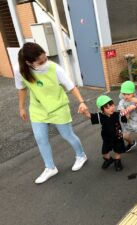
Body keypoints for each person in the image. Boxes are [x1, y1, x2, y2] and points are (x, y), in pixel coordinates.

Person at [14, 42, 88, 184]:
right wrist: (21, 107)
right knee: (40, 138)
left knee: (67, 135)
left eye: (45, 58)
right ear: (29, 63)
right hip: (38, 108)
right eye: (40, 62)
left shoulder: (55, 68)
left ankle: (81, 155)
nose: (45, 63)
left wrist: (82, 102)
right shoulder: (20, 70)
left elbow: (71, 86)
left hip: (58, 106)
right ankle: (50, 167)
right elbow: (22, 88)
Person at [81, 95, 126, 171]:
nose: (111, 108)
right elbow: (90, 115)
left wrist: (127, 111)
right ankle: (109, 160)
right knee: (104, 152)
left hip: (118, 137)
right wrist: (84, 111)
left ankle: (117, 161)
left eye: (112, 105)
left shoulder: (117, 114)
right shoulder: (100, 116)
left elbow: (126, 118)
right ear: (102, 110)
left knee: (118, 151)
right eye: (107, 107)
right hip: (107, 138)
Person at [118, 81, 137, 161]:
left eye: (128, 94)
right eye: (124, 94)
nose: (126, 96)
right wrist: (125, 111)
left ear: (133, 93)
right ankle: (131, 143)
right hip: (128, 123)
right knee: (125, 136)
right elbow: (121, 109)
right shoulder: (122, 101)